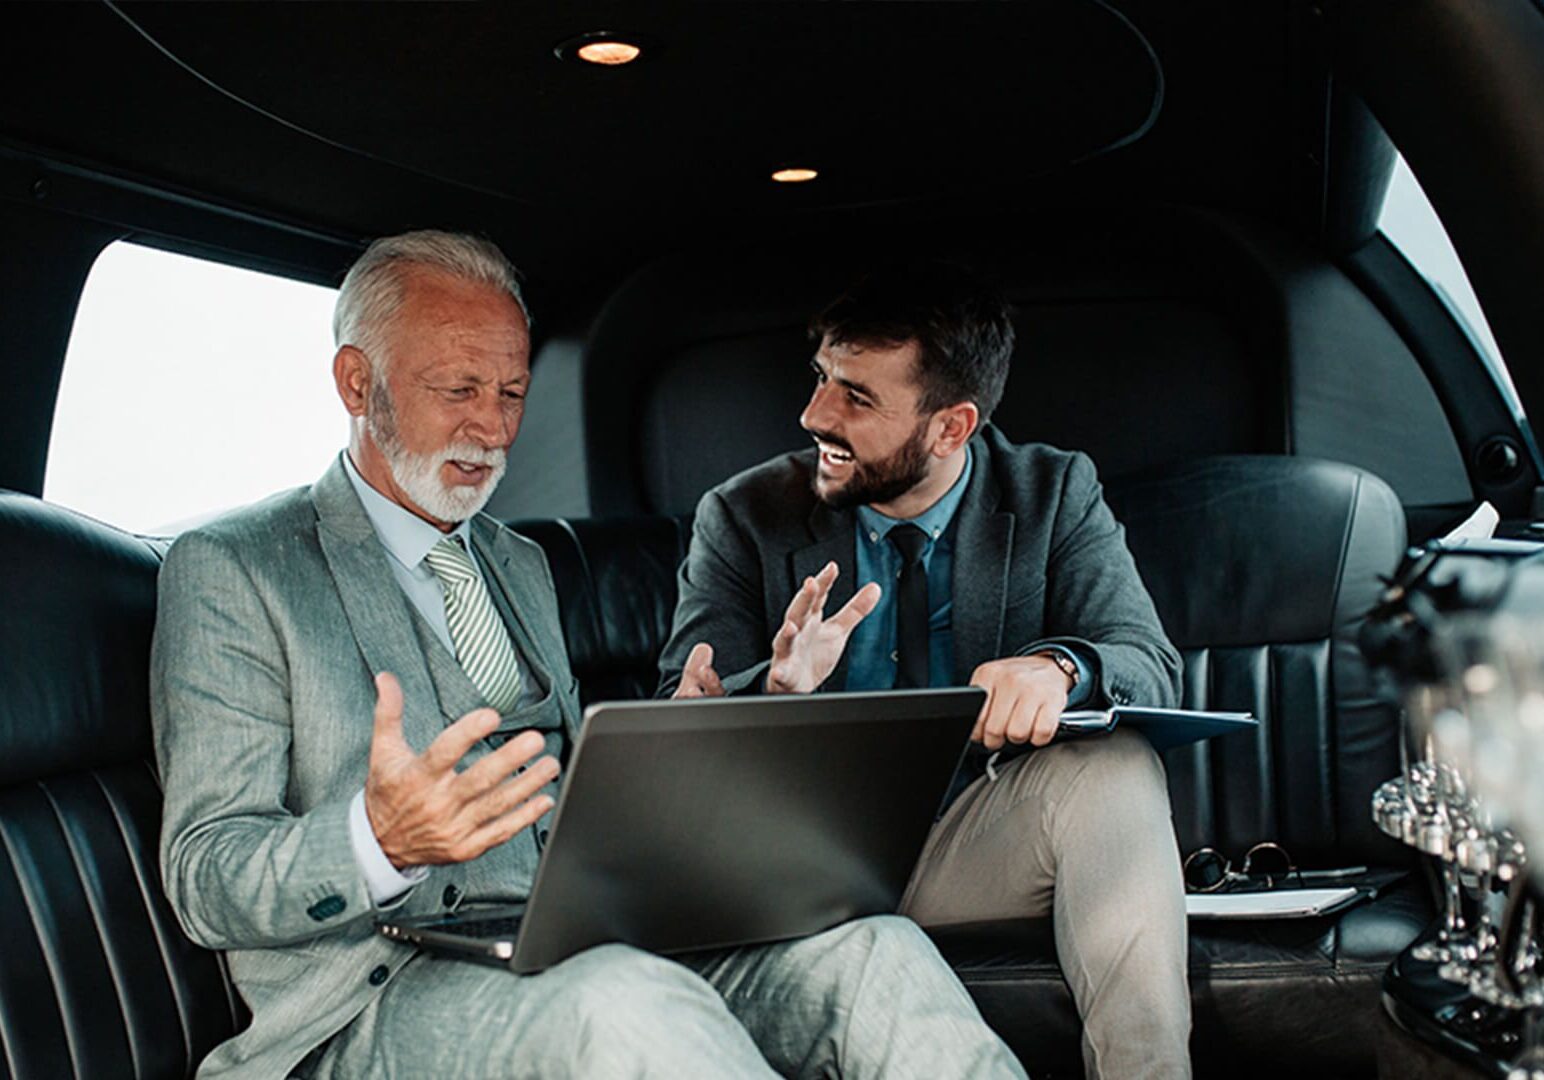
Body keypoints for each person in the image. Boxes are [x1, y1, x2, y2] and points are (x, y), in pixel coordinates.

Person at [151, 232, 1027, 1079]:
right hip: (375, 1002)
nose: (493, 429)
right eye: (459, 389)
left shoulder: (518, 565)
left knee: (870, 948)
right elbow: (203, 873)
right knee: (623, 1003)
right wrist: (379, 840)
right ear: (356, 381)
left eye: (511, 393)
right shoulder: (238, 567)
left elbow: (564, 801)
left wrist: (692, 741)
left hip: (586, 942)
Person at [659, 260, 1192, 1080]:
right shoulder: (742, 515)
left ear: (951, 427)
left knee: (1117, 767)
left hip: (977, 846)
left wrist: (1059, 668)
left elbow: (1146, 663)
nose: (813, 415)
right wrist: (769, 692)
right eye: (822, 379)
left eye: (857, 398)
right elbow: (681, 709)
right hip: (806, 862)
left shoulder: (1053, 492)